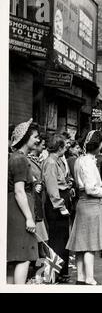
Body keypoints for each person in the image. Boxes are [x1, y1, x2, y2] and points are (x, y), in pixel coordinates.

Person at [66, 130, 102, 285]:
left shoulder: (79, 160)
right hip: (91, 204)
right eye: (101, 143)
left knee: (81, 244)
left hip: (81, 203)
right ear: (97, 145)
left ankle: (80, 277)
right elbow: (91, 189)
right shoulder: (89, 162)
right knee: (90, 244)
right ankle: (89, 278)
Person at [7, 119, 39, 284]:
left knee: (13, 260)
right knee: (24, 256)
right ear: (26, 138)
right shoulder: (20, 160)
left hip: (14, 210)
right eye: (35, 137)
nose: (38, 140)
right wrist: (28, 217)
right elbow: (19, 191)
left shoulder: (15, 158)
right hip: (19, 212)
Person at [42, 134, 73, 283]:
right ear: (59, 147)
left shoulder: (58, 161)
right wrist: (60, 206)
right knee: (57, 240)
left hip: (62, 199)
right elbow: (52, 187)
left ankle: (60, 272)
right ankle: (51, 275)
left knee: (63, 238)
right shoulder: (51, 162)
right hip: (56, 204)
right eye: (64, 146)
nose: (66, 148)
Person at [27, 134, 49, 259]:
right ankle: (38, 263)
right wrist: (35, 184)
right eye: (42, 145)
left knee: (41, 232)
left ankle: (40, 261)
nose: (44, 147)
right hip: (34, 200)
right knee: (38, 233)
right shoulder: (27, 160)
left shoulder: (38, 159)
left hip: (40, 199)